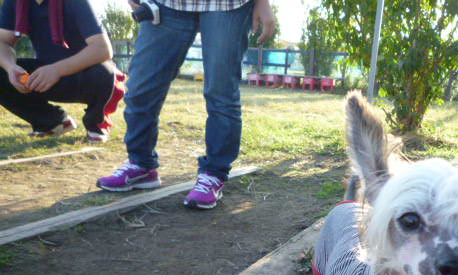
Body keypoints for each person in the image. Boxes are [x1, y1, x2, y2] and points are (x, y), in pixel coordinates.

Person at [96, 0, 276, 210]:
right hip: (166, 5)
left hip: (227, 5)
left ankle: (214, 174)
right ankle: (141, 165)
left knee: (221, 93)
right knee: (140, 89)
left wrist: (263, 3)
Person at [0, 0, 125, 143]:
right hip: (45, 74)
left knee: (104, 71)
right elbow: (3, 41)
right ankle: (51, 122)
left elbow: (102, 49)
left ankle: (96, 123)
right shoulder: (15, 2)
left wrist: (56, 70)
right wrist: (10, 67)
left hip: (84, 74)